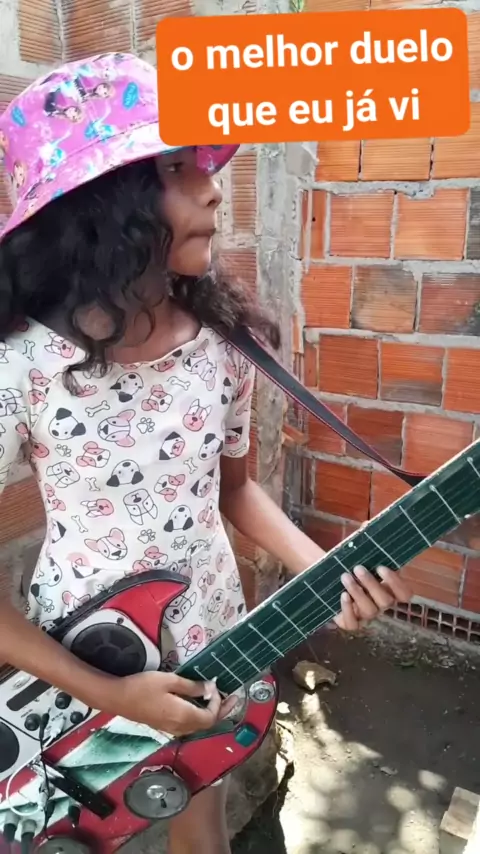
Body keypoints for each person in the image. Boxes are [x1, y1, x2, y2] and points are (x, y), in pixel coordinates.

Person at [0, 53, 411, 854]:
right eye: (176, 169)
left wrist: (324, 573)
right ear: (100, 204)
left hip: (217, 630)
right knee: (74, 832)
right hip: (85, 650)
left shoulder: (227, 344)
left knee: (202, 820)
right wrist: (111, 694)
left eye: (203, 164)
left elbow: (235, 491)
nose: (214, 187)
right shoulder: (23, 368)